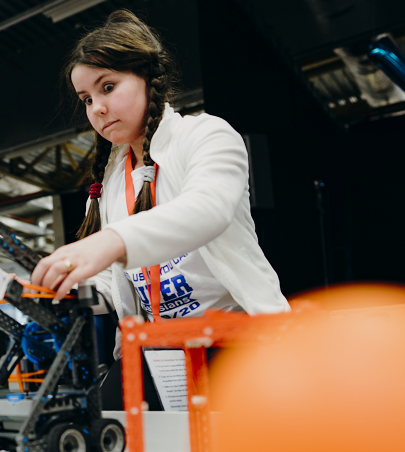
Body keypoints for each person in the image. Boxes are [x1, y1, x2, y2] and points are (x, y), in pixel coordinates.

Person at [31, 11, 289, 347]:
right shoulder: (109, 183)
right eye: (87, 99)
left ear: (147, 77)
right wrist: (60, 290)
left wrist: (109, 242)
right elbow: (113, 283)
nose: (96, 108)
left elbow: (207, 210)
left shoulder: (205, 134)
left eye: (107, 87)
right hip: (162, 349)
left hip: (239, 341)